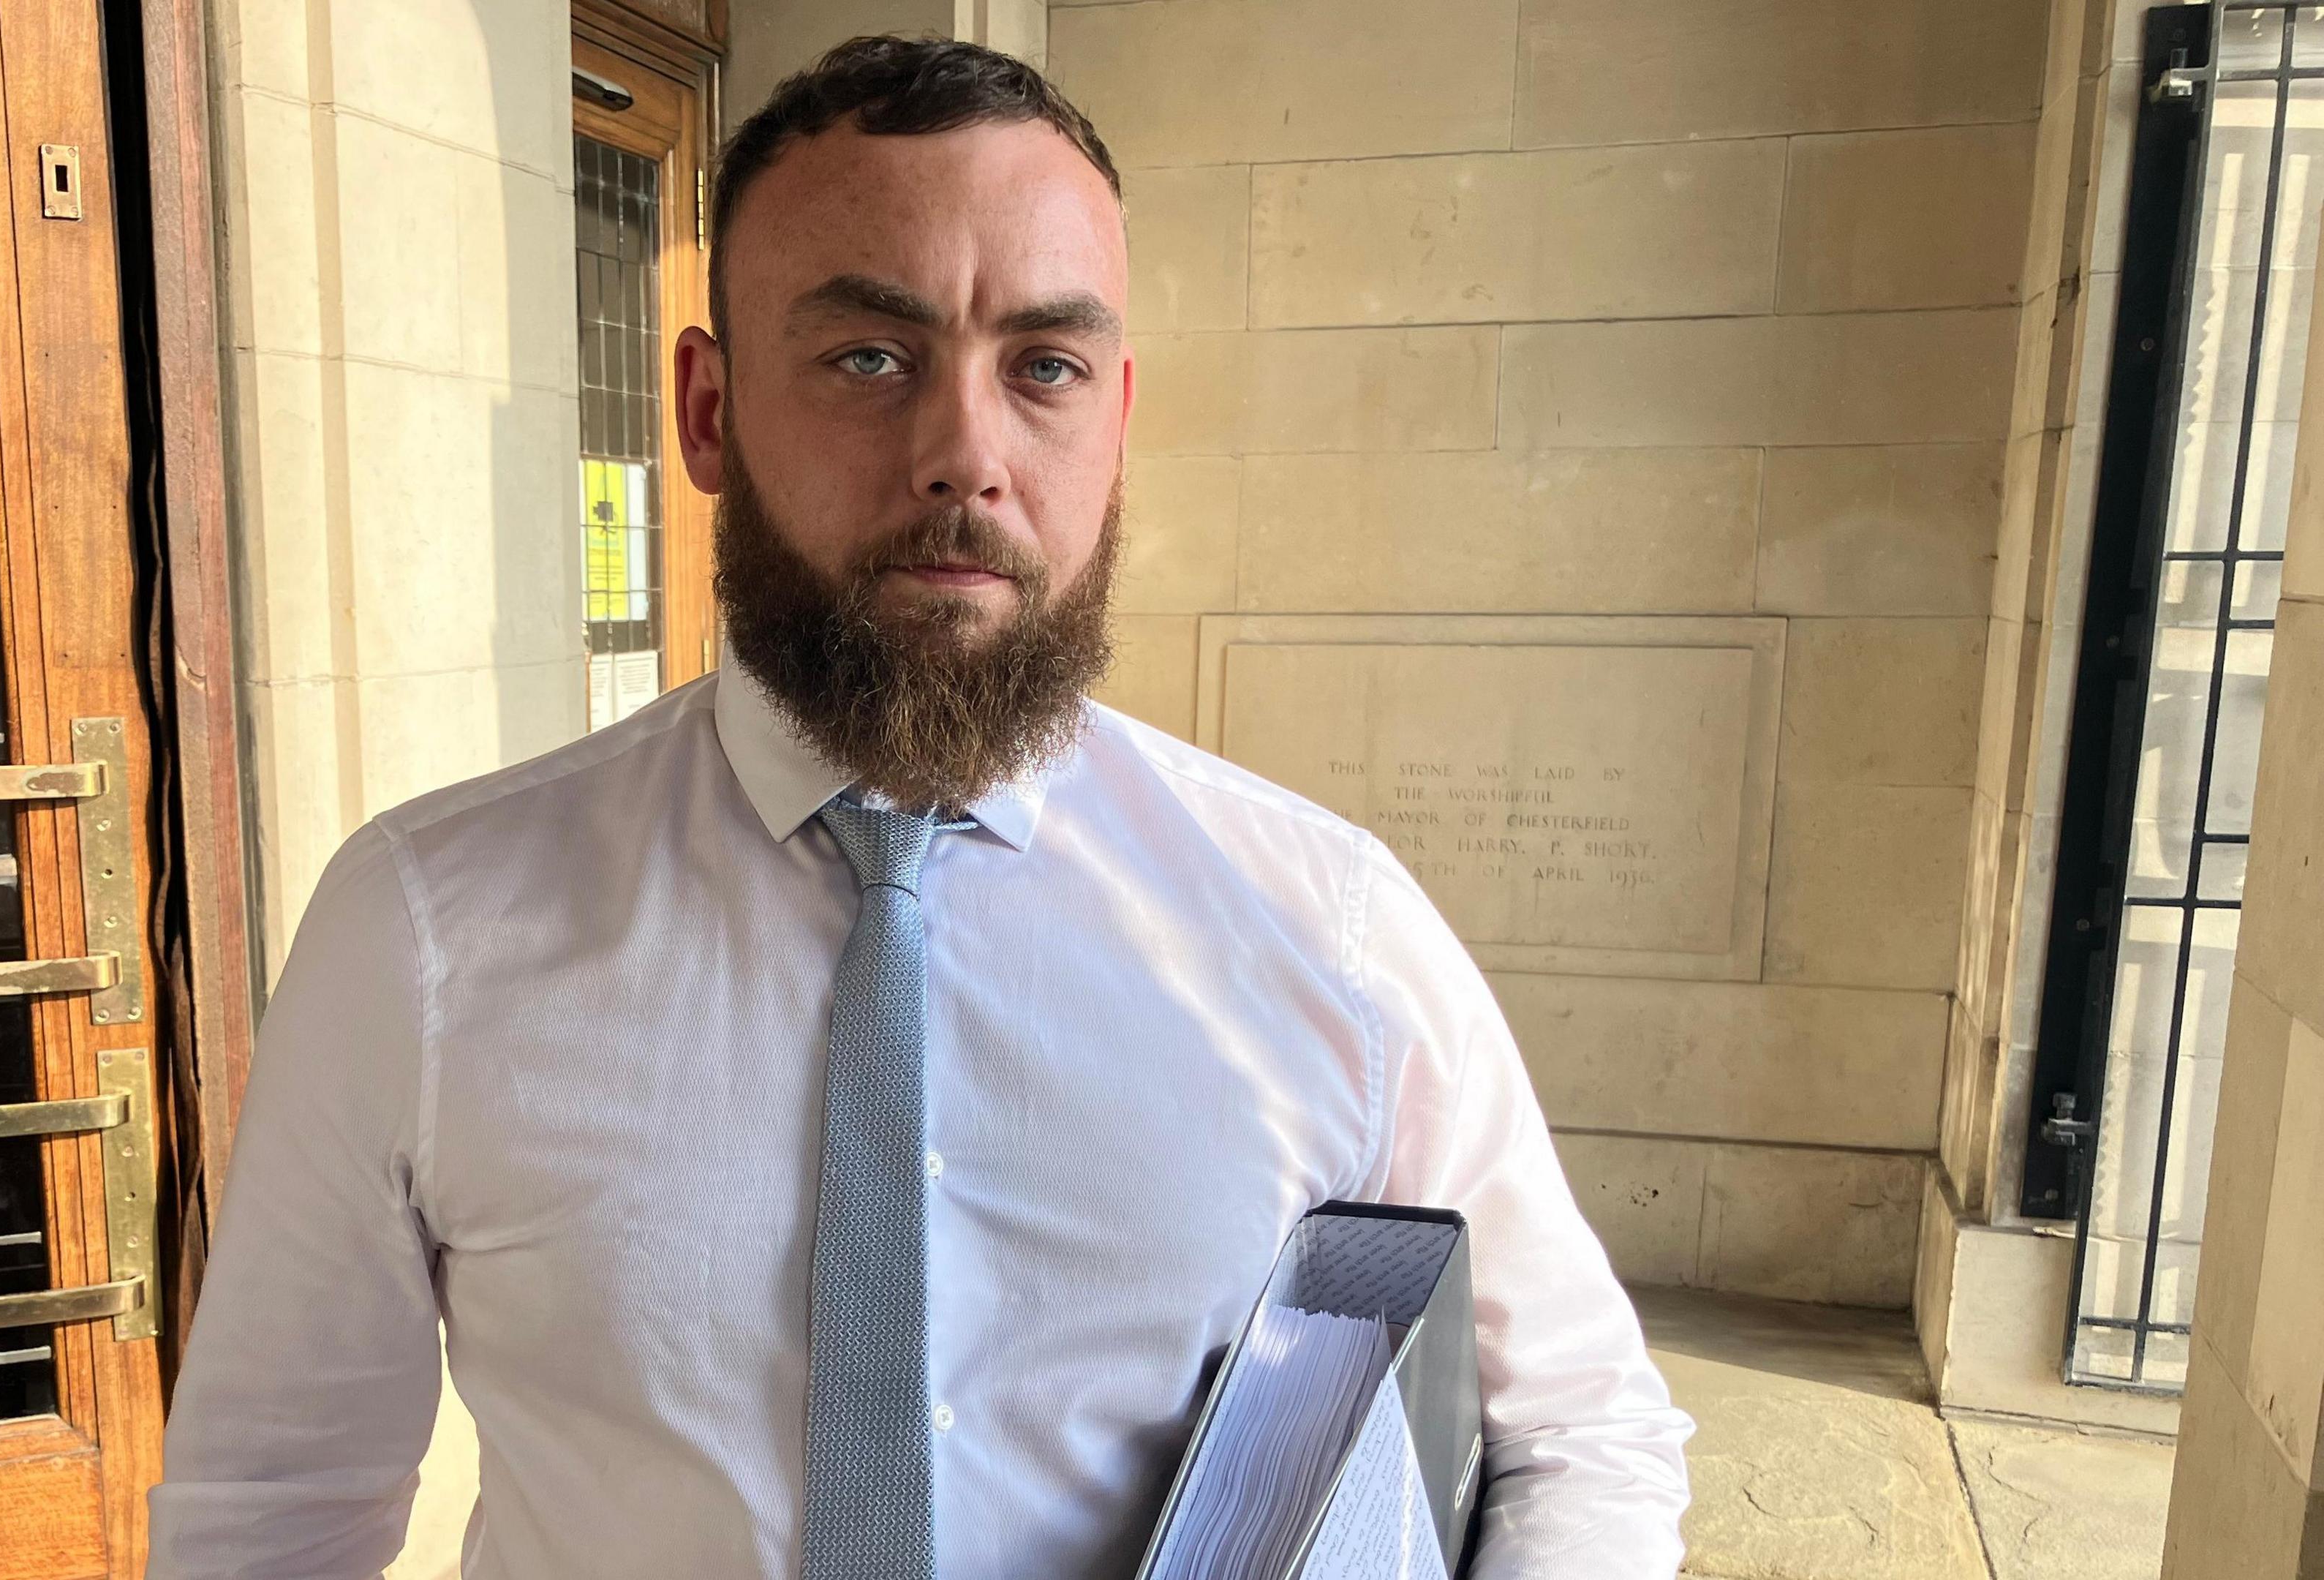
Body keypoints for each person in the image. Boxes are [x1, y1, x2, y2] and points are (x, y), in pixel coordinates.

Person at [147, 34, 1692, 1580]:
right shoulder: (425, 933)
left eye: (1047, 368)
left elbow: (1580, 1425)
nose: (966, 456)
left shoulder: (1331, 931)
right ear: (705, 406)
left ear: (1116, 416)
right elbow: (269, 1509)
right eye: (870, 359)